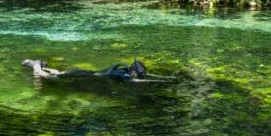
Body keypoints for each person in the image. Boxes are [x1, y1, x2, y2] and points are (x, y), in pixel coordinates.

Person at [21, 57, 171, 83]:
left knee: (61, 73)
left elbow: (141, 76)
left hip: (88, 73)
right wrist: (158, 80)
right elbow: (136, 80)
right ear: (133, 72)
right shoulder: (124, 74)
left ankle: (40, 64)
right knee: (49, 78)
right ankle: (35, 65)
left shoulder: (125, 69)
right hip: (86, 75)